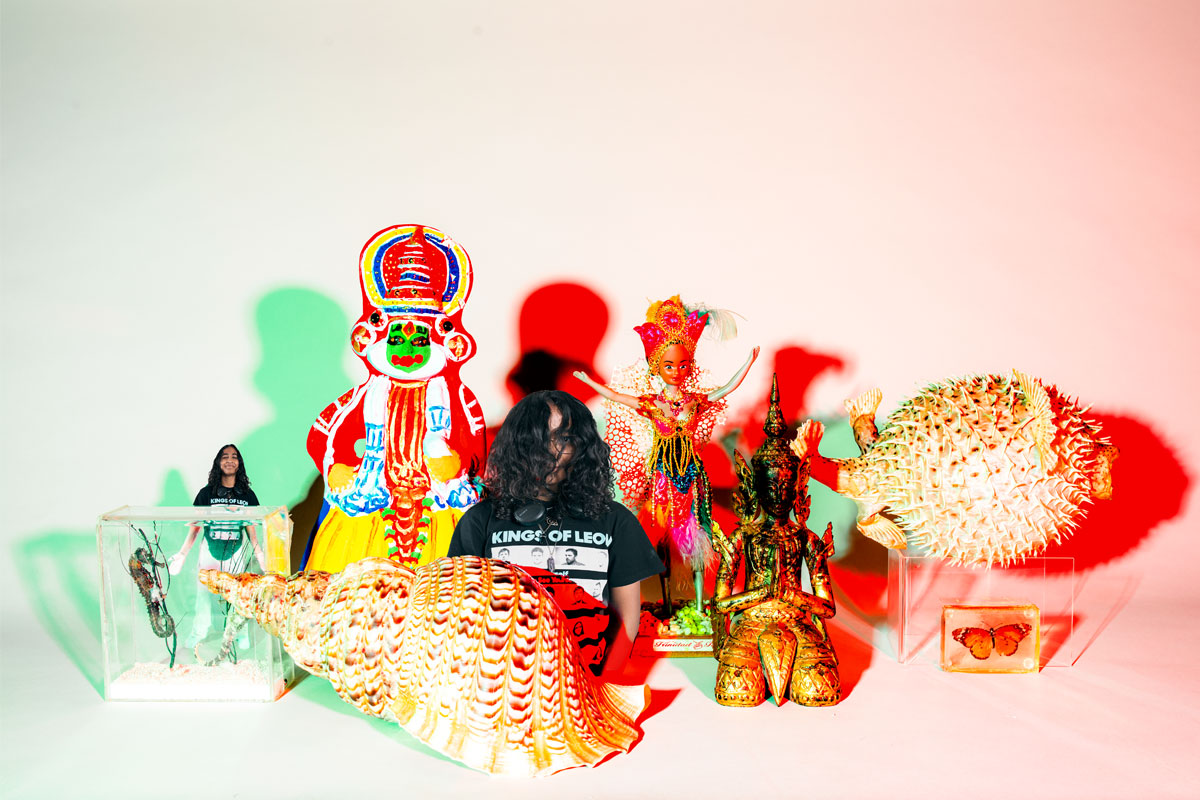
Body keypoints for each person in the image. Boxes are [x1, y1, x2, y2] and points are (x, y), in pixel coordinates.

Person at [448, 390, 663, 677]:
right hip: (504, 685)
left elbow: (627, 622)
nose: (550, 450)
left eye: (563, 438)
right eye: (537, 438)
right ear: (518, 445)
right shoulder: (480, 520)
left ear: (583, 445)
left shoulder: (615, 520)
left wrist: (604, 689)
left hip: (589, 680)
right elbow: (462, 617)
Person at [170, 444, 265, 647]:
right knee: (203, 594)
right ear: (218, 462)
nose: (229, 460)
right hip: (210, 551)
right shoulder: (206, 494)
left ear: (239, 463)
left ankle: (240, 634)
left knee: (238, 593)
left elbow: (252, 533)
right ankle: (199, 631)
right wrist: (182, 554)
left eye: (234, 456)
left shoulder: (247, 496)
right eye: (225, 456)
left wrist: (261, 555)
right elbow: (195, 528)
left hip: (236, 551)